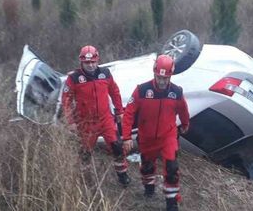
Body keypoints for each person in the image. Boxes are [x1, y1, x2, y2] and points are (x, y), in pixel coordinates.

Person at [122, 54, 190, 211]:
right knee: (147, 166)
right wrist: (126, 137)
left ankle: (171, 202)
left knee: (172, 167)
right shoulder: (141, 90)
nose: (162, 81)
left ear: (171, 76)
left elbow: (183, 111)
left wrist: (185, 124)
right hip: (146, 137)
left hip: (168, 136)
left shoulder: (176, 92)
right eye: (159, 77)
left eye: (165, 78)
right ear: (154, 73)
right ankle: (149, 188)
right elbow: (129, 113)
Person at [62, 45, 130, 186]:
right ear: (82, 62)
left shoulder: (105, 73)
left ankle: (123, 176)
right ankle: (86, 180)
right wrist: (71, 121)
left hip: (106, 119)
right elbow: (66, 100)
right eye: (87, 63)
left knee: (117, 147)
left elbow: (115, 92)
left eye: (93, 62)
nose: (91, 65)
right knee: (85, 152)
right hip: (86, 122)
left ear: (97, 60)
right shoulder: (74, 78)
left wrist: (120, 111)